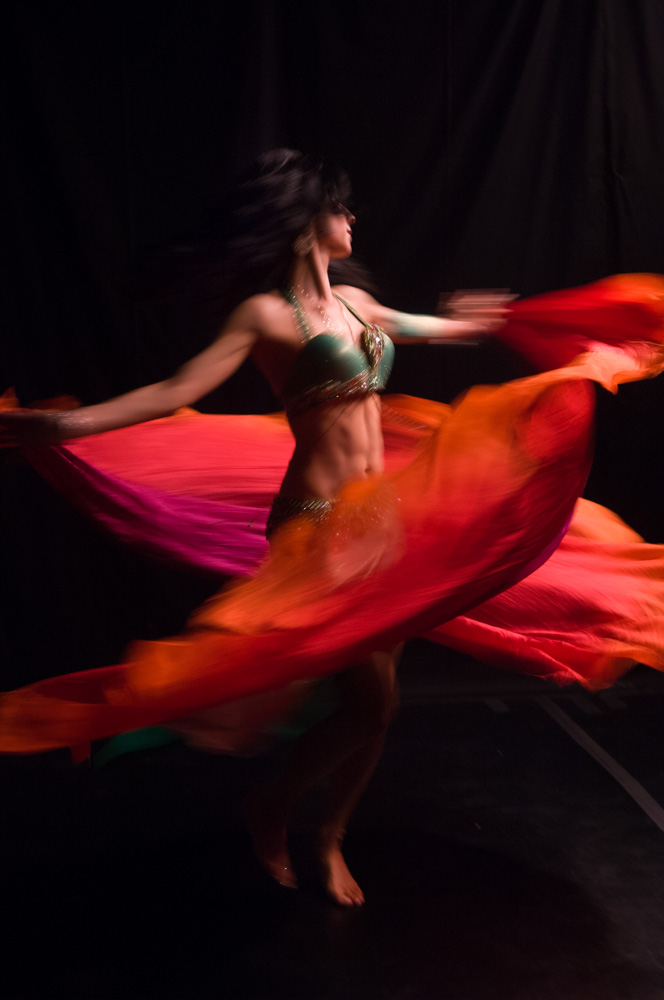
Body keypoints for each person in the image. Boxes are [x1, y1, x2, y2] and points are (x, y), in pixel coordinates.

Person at [0, 150, 508, 906]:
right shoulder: (265, 316)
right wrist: (64, 426)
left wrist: (476, 324)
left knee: (374, 708)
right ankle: (274, 808)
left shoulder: (358, 306)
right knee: (373, 703)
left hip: (382, 521)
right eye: (339, 206)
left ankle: (324, 832)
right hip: (316, 526)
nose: (352, 218)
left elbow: (422, 327)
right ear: (306, 221)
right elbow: (176, 388)